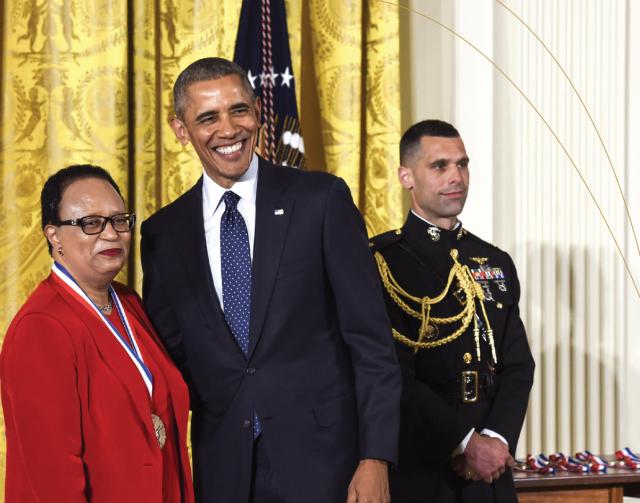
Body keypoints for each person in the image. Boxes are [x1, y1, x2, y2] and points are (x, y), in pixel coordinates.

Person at [140, 57, 401, 503]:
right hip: (224, 470)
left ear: (258, 112)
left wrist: (375, 458)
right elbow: (171, 361)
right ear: (181, 130)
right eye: (207, 117)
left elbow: (372, 344)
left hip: (328, 467)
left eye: (239, 110)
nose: (228, 129)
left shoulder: (320, 200)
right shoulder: (163, 233)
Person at [0, 165, 195, 503]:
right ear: (54, 234)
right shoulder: (40, 329)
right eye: (90, 223)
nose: (111, 234)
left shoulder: (129, 303)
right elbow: (53, 479)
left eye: (119, 220)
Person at [369, 120, 535, 503]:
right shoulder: (380, 263)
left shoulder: (493, 261)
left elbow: (519, 365)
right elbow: (393, 374)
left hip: (489, 473)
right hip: (422, 467)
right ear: (406, 176)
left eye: (462, 164)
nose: (456, 176)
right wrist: (465, 442)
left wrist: (494, 439)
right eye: (439, 166)